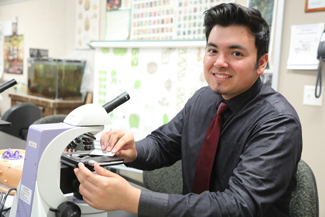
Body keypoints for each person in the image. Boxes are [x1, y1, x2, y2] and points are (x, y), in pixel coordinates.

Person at [74, 3, 302, 217]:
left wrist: (133, 199)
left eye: (236, 53)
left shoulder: (278, 123)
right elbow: (163, 144)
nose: (220, 62)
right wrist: (133, 151)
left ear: (261, 63)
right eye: (213, 50)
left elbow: (238, 206)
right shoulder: (203, 99)